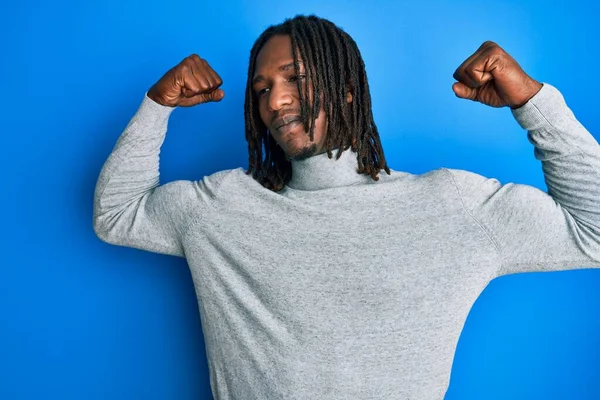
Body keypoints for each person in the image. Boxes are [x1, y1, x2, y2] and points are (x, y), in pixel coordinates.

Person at [93, 14, 600, 400]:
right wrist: (156, 105)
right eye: (263, 89)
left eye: (294, 78)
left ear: (349, 90)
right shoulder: (221, 206)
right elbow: (116, 215)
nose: (274, 102)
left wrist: (532, 101)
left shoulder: (451, 205)